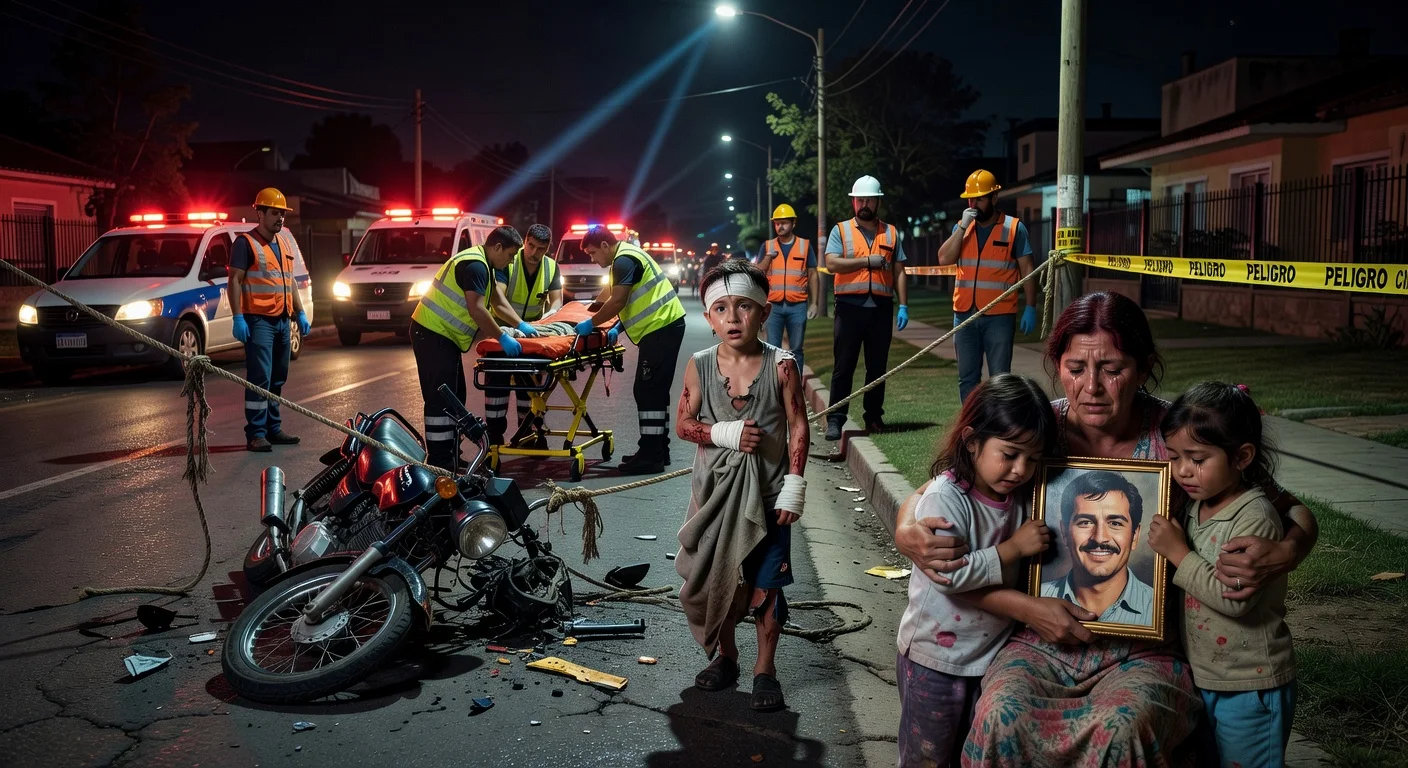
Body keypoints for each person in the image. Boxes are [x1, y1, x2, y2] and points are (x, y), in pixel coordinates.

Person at [890, 292, 1319, 765]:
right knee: (999, 713)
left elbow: (1290, 508)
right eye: (1076, 368)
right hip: (1038, 641)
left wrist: (1290, 550)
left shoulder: (1177, 435)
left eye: (1112, 369)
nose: (1092, 387)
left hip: (1145, 649)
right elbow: (948, 480)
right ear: (1057, 364)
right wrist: (906, 527)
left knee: (1124, 726)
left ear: (1143, 367)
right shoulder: (1038, 426)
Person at [897, 374, 1056, 767]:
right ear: (971, 441)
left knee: (969, 753)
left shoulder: (1019, 498)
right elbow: (948, 575)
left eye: (1032, 459)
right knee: (927, 757)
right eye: (1010, 453)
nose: (1021, 469)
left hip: (988, 657)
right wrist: (1013, 548)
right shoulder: (946, 497)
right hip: (933, 658)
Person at [674, 259, 810, 713]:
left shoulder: (782, 366)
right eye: (722, 309)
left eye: (744, 307)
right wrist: (722, 432)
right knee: (719, 581)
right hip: (715, 500)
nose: (734, 317)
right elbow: (684, 424)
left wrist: (794, 485)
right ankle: (728, 658)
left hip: (769, 500)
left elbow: (798, 427)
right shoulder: (698, 366)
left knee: (767, 586)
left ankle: (764, 669)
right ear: (709, 319)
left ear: (764, 313)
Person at [1148, 382, 1296, 768]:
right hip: (1208, 676)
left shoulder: (1254, 518)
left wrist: (1179, 554)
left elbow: (1236, 596)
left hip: (1251, 683)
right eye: (1175, 456)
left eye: (1197, 458)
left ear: (1242, 456)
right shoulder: (1197, 506)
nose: (1182, 470)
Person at [409, 225, 526, 470]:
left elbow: (496, 301)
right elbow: (477, 308)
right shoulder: (475, 265)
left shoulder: (485, 264)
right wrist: (502, 338)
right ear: (497, 247)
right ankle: (440, 463)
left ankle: (451, 457)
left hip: (443, 336)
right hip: (432, 333)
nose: (512, 261)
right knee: (440, 400)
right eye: (511, 255)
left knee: (455, 398)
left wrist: (520, 324)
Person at [578, 224, 687, 475]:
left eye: (593, 253)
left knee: (647, 389)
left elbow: (618, 300)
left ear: (606, 246)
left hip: (661, 328)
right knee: (655, 391)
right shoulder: (630, 255)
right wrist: (618, 326)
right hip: (664, 326)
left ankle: (651, 457)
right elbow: (638, 301)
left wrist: (591, 323)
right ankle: (658, 449)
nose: (593, 260)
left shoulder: (623, 261)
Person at [936, 170, 1039, 404]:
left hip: (999, 316)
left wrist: (1031, 306)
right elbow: (944, 258)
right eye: (970, 200)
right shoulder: (962, 228)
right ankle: (971, 425)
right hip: (964, 316)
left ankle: (999, 426)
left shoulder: (1014, 228)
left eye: (979, 199)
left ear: (994, 198)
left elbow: (1028, 269)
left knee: (1000, 378)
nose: (973, 205)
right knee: (967, 379)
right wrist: (962, 227)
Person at [823, 175, 909, 440]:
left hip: (881, 308)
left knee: (877, 367)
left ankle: (873, 417)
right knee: (844, 366)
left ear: (878, 201)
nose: (864, 204)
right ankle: (835, 419)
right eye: (860, 199)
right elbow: (833, 263)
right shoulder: (841, 230)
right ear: (853, 202)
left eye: (869, 199)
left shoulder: (891, 232)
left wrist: (903, 304)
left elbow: (899, 270)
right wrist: (865, 262)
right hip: (849, 307)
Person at [228, 188, 311, 452]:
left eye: (283, 214)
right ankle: (256, 433)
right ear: (260, 213)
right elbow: (234, 281)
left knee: (277, 378)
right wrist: (238, 317)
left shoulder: (284, 242)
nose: (280, 218)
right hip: (259, 321)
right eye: (275, 213)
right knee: (259, 378)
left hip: (283, 321)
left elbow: (291, 282)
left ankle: (273, 429)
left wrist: (300, 312)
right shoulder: (245, 243)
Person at [1039, 470, 1156, 624]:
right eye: (1085, 522)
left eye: (1115, 523)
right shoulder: (1038, 600)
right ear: (1065, 532)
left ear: (1135, 536)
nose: (1100, 538)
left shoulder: (1157, 608)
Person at [486, 223, 562, 446]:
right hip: (501, 333)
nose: (534, 253)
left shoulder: (551, 267)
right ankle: (494, 441)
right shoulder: (508, 261)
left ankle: (529, 436)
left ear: (548, 248)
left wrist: (551, 315)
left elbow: (556, 299)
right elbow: (497, 299)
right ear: (525, 241)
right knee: (496, 389)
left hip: (531, 337)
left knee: (529, 388)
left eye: (541, 249)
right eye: (531, 246)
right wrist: (519, 325)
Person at [758, 204, 819, 374]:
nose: (780, 226)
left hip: (798, 305)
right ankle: (774, 387)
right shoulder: (767, 246)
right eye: (777, 223)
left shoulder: (804, 246)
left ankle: (795, 389)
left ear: (793, 223)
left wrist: (814, 304)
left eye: (784, 223)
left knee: (796, 350)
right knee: (772, 349)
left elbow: (813, 274)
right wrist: (768, 257)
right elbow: (758, 272)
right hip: (773, 306)